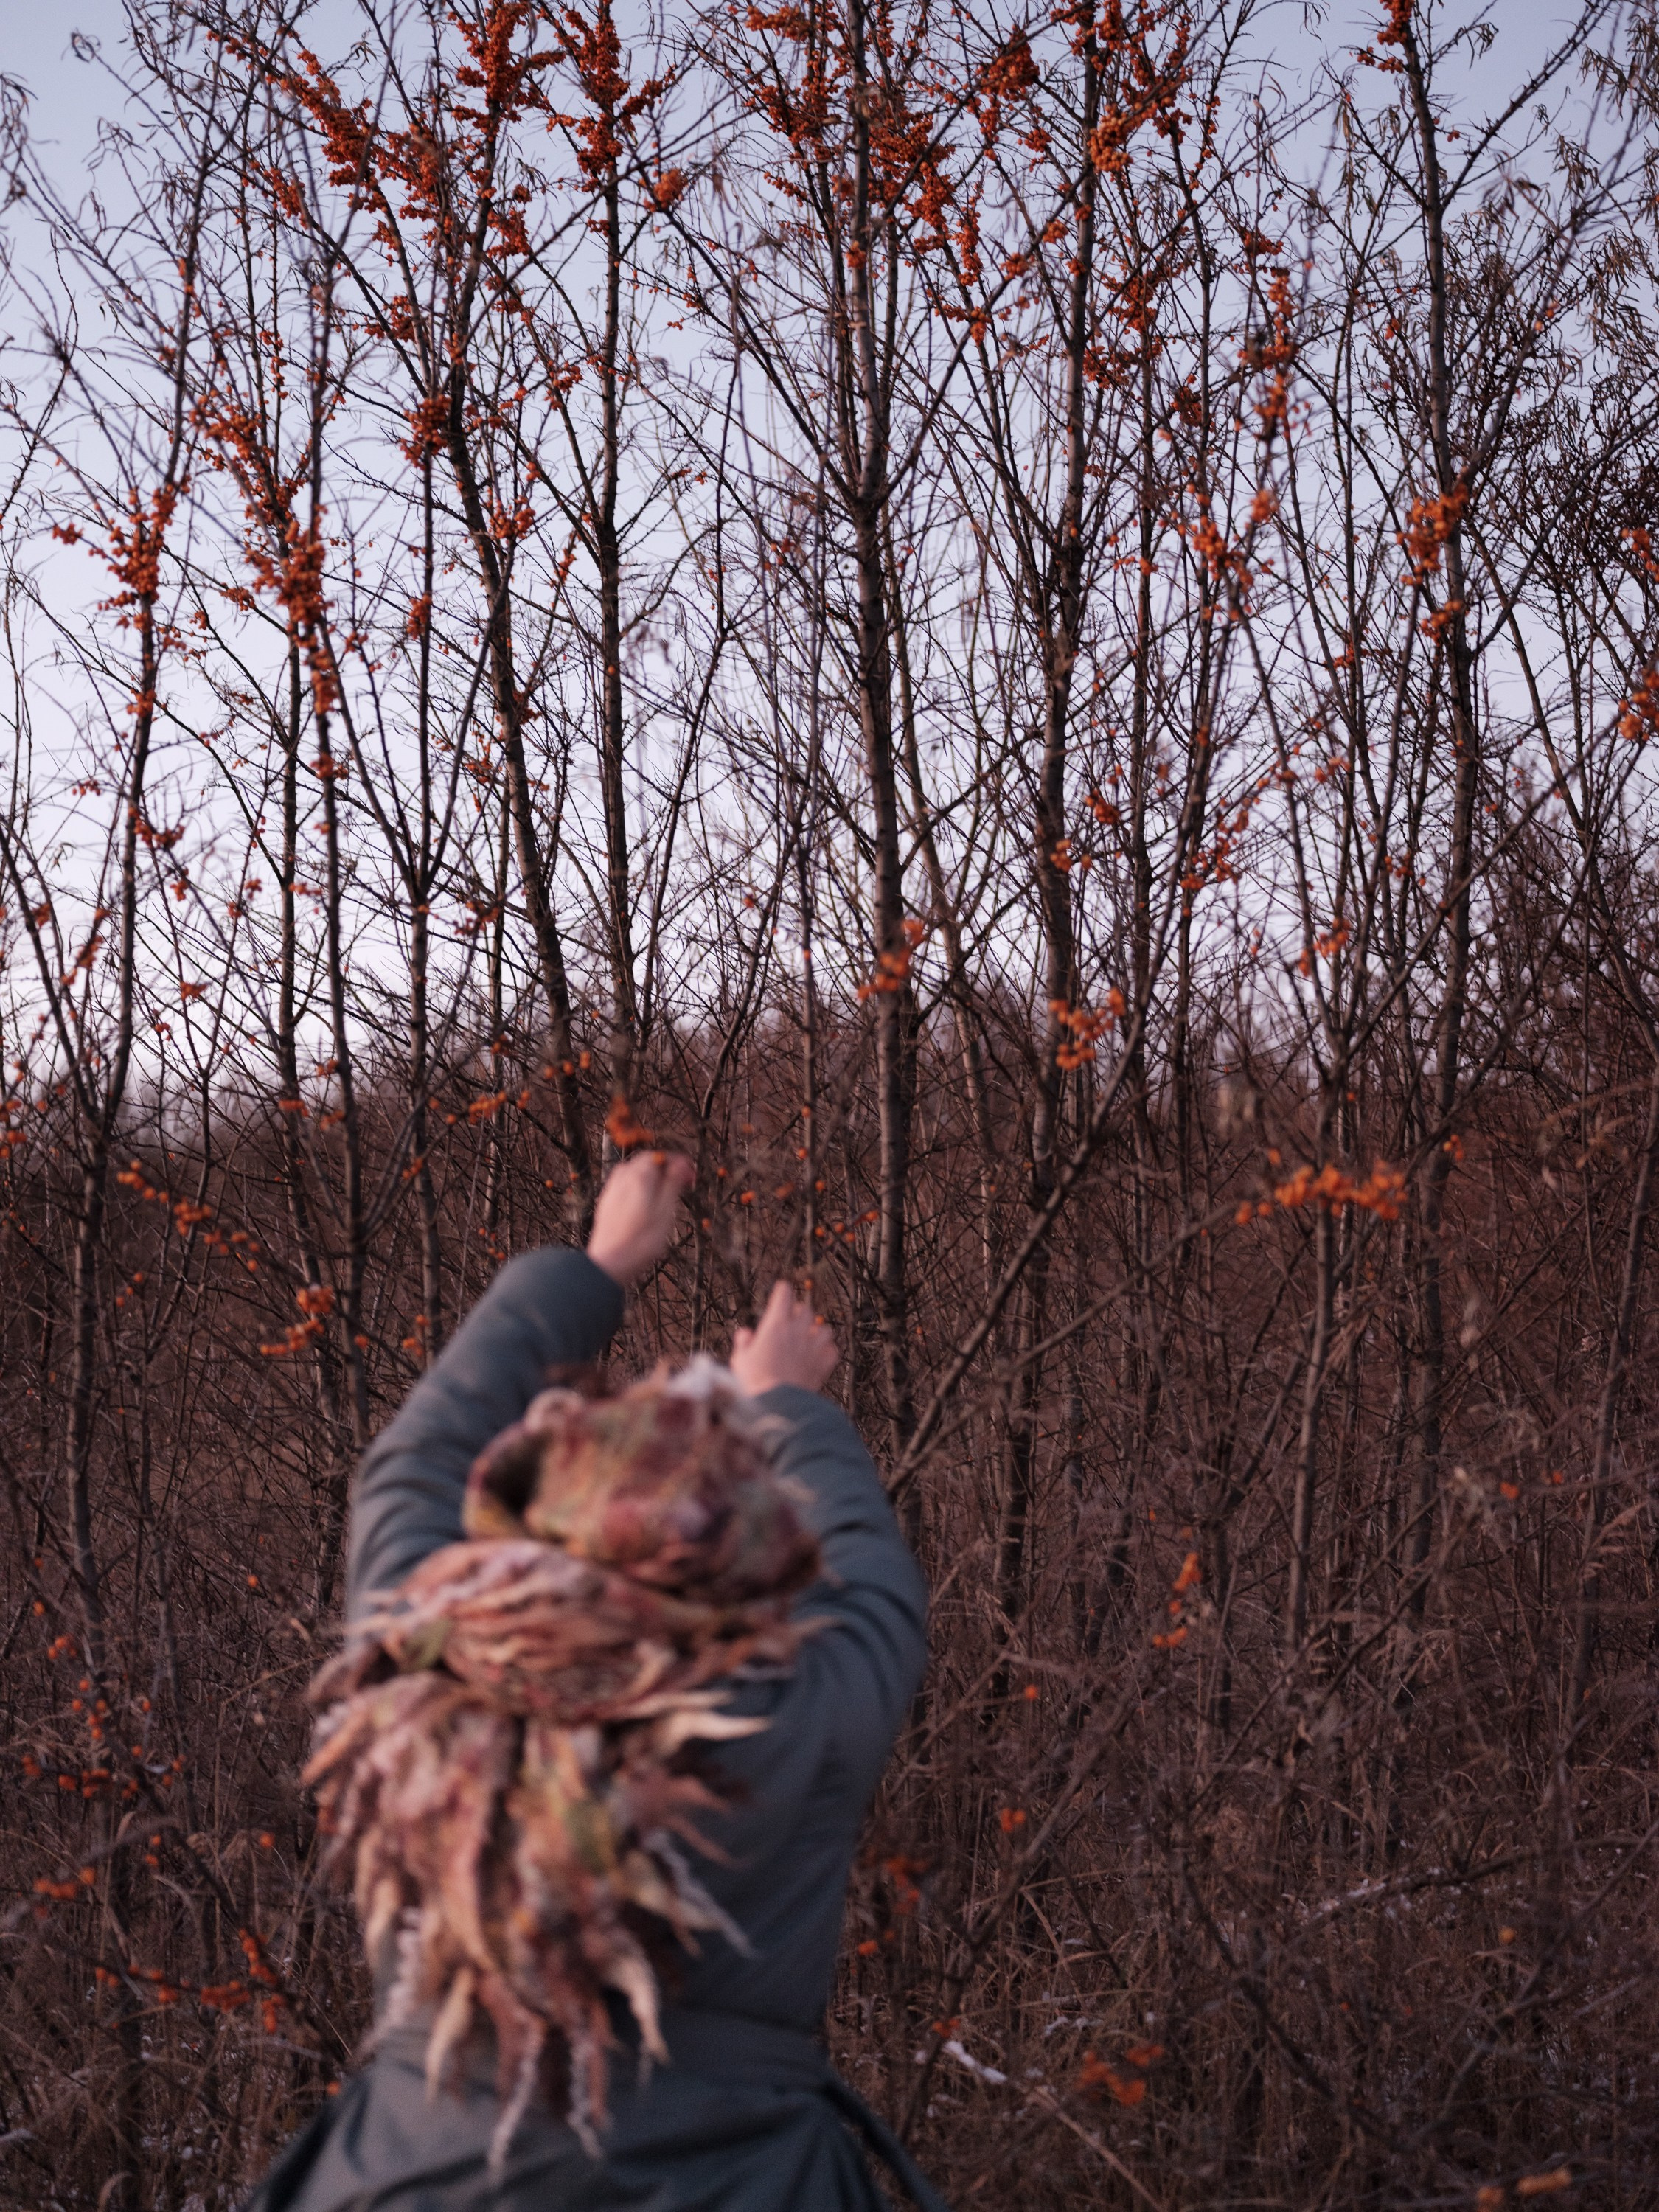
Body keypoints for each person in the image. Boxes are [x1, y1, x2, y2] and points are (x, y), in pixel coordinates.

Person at [244, 1149, 947, 2212]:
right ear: (746, 1560)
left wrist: (600, 1262)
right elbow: (867, 1575)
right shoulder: (795, 1715)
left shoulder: (417, 1661)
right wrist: (781, 1406)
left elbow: (416, 1463)